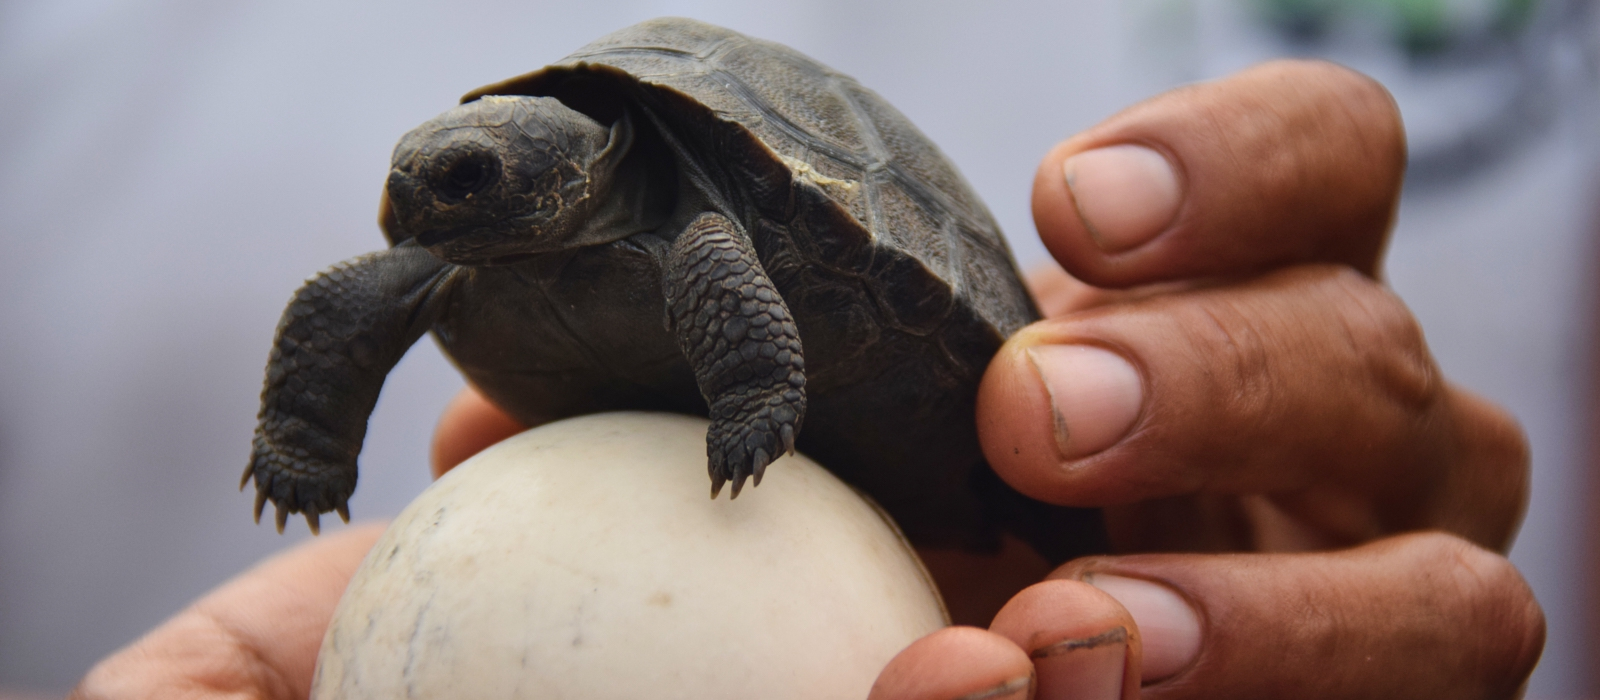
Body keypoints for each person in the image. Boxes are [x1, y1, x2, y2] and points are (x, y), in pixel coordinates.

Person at [68, 60, 1542, 700]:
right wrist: (304, 441)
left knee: (720, 275)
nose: (434, 206)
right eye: (422, 188)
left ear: (586, 159)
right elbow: (355, 304)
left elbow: (713, 249)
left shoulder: (696, 208)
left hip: (973, 478)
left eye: (469, 178)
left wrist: (757, 397)